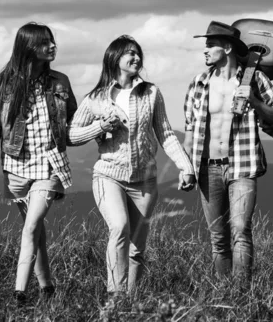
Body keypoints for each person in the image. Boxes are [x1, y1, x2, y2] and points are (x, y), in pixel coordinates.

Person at [68, 34, 195, 298]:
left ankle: (132, 301)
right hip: (108, 176)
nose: (136, 57)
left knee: (137, 247)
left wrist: (186, 166)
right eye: (130, 53)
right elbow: (71, 135)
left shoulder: (151, 92)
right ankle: (116, 297)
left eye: (138, 53)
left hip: (145, 180)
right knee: (119, 227)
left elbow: (165, 133)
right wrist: (100, 126)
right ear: (115, 58)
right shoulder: (96, 98)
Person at [0, 22, 78, 303]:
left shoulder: (60, 81)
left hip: (50, 165)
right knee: (37, 232)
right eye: (45, 43)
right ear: (28, 47)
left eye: (52, 41)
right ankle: (47, 289)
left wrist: (99, 126)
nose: (53, 46)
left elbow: (75, 123)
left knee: (31, 227)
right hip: (16, 168)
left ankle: (18, 294)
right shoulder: (3, 84)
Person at [183, 21, 273, 285]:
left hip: (242, 165)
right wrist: (186, 168)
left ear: (227, 47)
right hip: (207, 167)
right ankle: (224, 295)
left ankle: (242, 296)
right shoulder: (199, 83)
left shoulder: (254, 79)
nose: (205, 51)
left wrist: (254, 100)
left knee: (241, 230)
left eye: (210, 45)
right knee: (218, 238)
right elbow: (189, 130)